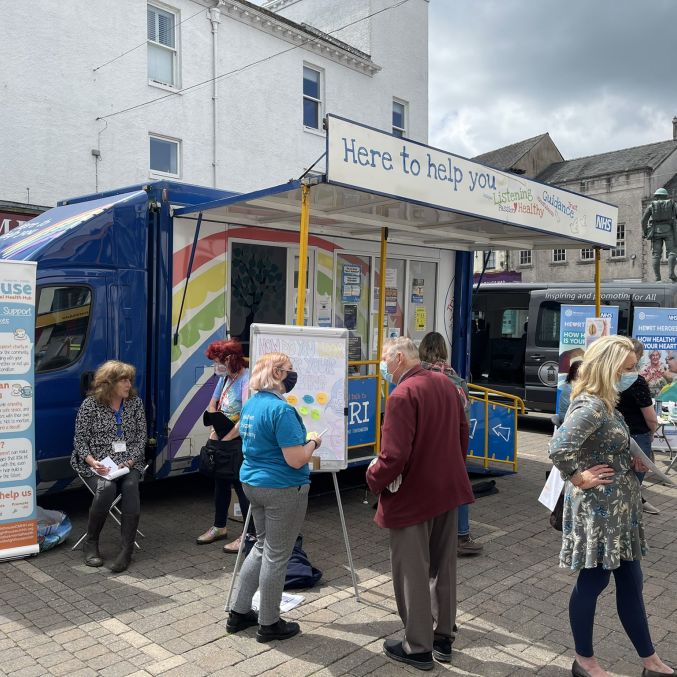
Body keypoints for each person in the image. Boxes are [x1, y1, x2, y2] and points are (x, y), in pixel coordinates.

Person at [549, 336, 674, 677]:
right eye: (629, 369)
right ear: (609, 368)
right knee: (594, 580)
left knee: (632, 581)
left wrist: (628, 460)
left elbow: (606, 443)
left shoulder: (606, 403)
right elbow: (559, 448)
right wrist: (578, 477)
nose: (634, 375)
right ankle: (585, 661)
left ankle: (650, 660)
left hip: (620, 508)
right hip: (600, 510)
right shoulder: (590, 406)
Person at [367, 337, 473, 671]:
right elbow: (462, 434)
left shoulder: (402, 395)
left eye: (385, 359)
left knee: (412, 570)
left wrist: (373, 478)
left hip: (413, 495)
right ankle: (443, 638)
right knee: (444, 567)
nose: (383, 366)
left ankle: (417, 646)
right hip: (449, 488)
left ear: (399, 357)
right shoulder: (445, 383)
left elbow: (394, 455)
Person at [226, 352, 321, 642]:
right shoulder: (282, 411)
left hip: (254, 484)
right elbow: (295, 459)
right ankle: (269, 622)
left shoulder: (252, 404)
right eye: (289, 370)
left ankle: (239, 613)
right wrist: (313, 443)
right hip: (283, 488)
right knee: (277, 555)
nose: (293, 375)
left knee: (260, 546)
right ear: (278, 374)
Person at [71, 360, 147, 573]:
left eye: (130, 380)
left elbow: (141, 437)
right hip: (97, 463)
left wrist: (130, 461)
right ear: (109, 383)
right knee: (107, 488)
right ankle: (91, 543)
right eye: (123, 380)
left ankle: (126, 550)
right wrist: (91, 460)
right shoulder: (91, 405)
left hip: (128, 462)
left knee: (130, 486)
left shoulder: (135, 403)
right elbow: (79, 440)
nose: (128, 385)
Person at [418, 331, 483, 557]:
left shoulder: (416, 377)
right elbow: (464, 416)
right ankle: (461, 535)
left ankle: (425, 536)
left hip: (426, 443)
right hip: (451, 442)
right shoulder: (455, 378)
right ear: (444, 351)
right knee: (458, 486)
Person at [197, 339, 255, 553]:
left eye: (217, 362)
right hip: (221, 437)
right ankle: (219, 526)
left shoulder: (245, 379)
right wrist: (215, 428)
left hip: (237, 441)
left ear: (230, 359)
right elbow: (213, 404)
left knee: (241, 487)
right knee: (220, 483)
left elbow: (247, 415)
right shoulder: (224, 379)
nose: (215, 367)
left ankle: (249, 534)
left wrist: (228, 436)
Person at [616, 339, 660, 515]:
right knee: (633, 482)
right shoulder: (637, 381)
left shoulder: (604, 382)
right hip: (636, 435)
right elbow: (650, 417)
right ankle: (633, 508)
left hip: (618, 436)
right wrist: (652, 431)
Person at [642, 187, 677, 282]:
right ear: (665, 196)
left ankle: (658, 278)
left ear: (657, 196)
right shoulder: (673, 205)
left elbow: (644, 220)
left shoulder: (651, 206)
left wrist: (645, 232)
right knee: (672, 252)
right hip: (669, 230)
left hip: (656, 231)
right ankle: (671, 273)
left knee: (656, 254)